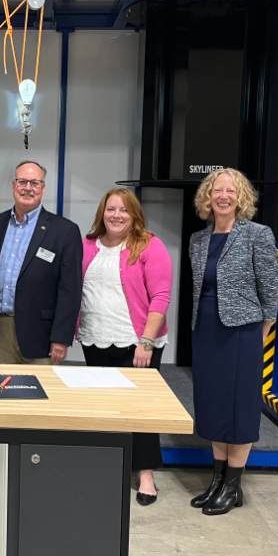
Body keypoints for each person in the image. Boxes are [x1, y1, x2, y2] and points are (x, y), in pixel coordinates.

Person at [188, 168, 278, 516]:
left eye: (231, 190)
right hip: (207, 329)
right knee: (212, 403)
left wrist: (263, 330)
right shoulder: (199, 239)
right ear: (208, 197)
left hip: (243, 332)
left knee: (238, 407)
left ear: (241, 197)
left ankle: (232, 486)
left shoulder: (257, 234)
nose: (223, 196)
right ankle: (217, 480)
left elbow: (270, 288)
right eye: (217, 190)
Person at [78, 188, 173, 506]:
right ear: (101, 213)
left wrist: (147, 341)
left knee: (140, 410)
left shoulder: (149, 245)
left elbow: (161, 296)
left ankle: (145, 473)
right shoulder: (87, 246)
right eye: (110, 209)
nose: (116, 215)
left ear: (134, 215)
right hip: (95, 340)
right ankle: (109, 467)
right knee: (104, 408)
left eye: (124, 210)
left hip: (138, 343)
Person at [0, 160, 82, 364]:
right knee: (6, 390)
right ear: (13, 185)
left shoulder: (65, 231)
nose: (28, 188)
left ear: (43, 188)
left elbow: (70, 290)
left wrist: (61, 338)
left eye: (35, 183)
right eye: (22, 182)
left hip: (41, 333)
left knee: (39, 392)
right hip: (2, 328)